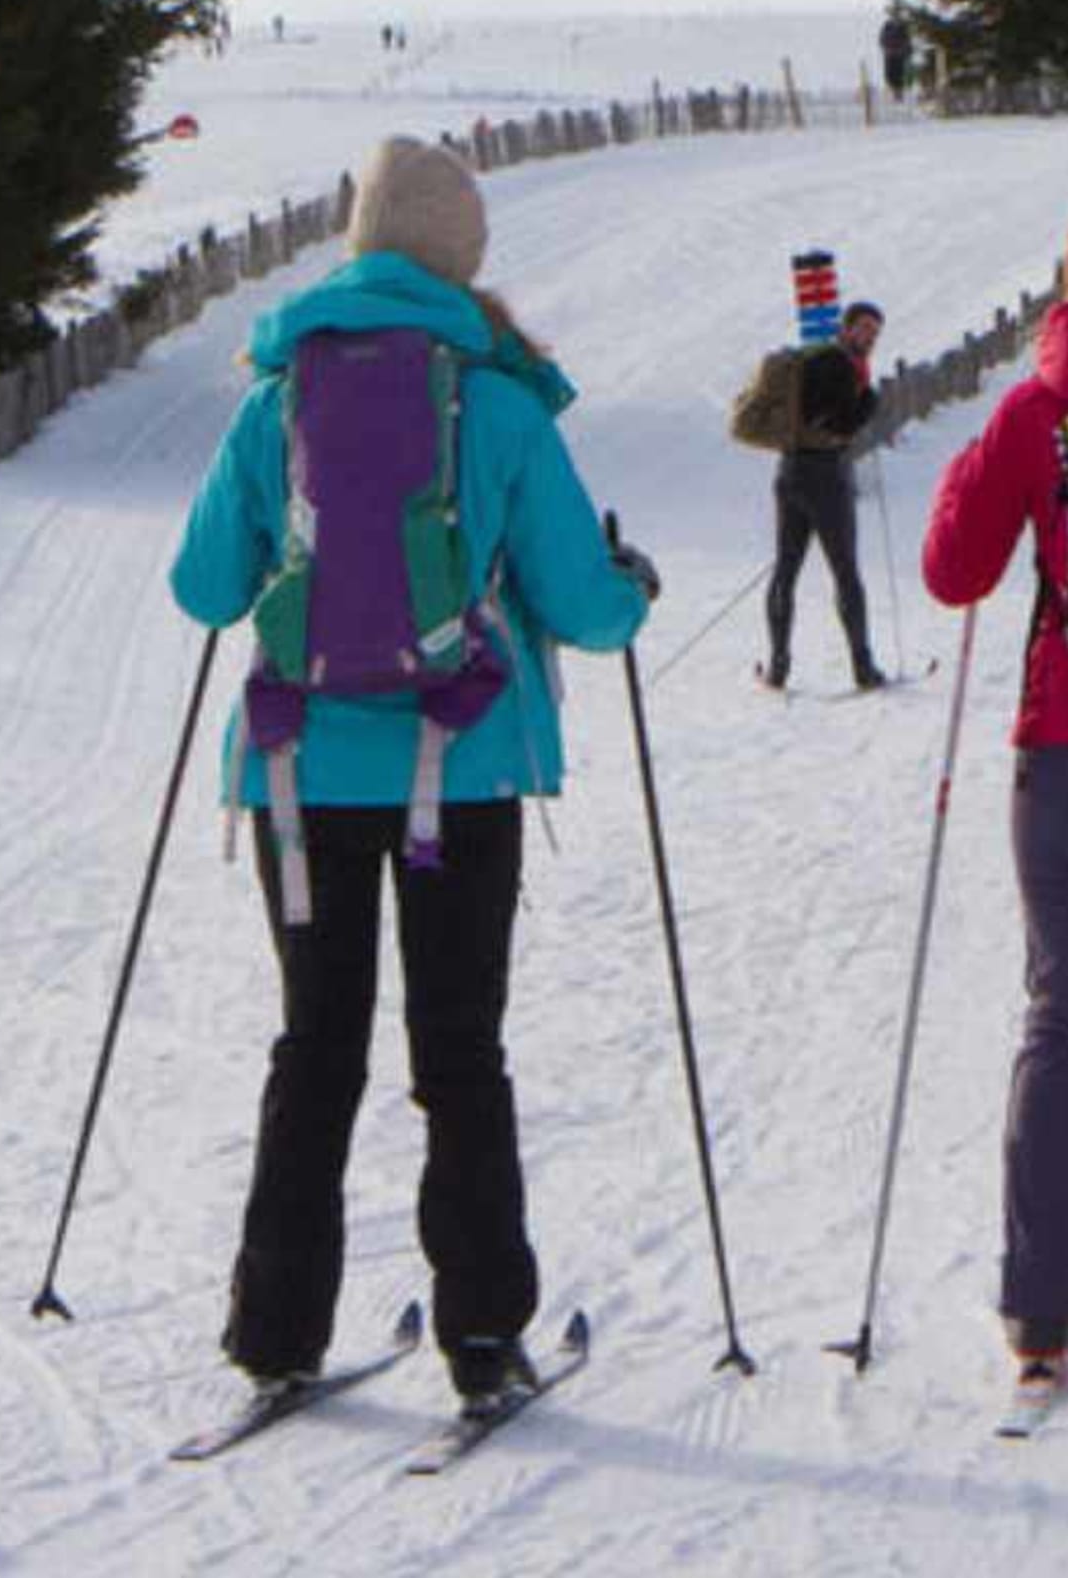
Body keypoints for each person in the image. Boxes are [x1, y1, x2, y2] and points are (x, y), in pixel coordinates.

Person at [169, 135, 654, 1408]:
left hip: (296, 775)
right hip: (464, 768)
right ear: (461, 255)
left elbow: (203, 585)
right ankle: (482, 1336)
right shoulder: (493, 398)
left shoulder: (273, 395)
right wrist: (628, 590)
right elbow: (581, 605)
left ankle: (274, 1331)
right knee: (460, 1051)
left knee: (312, 1045)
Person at [922, 154, 1068, 1371]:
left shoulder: (1033, 408)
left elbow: (951, 571)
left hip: (1067, 750)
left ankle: (1038, 1308)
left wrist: (990, 473)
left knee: (1065, 1021)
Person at [761, 299, 885, 689]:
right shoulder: (839, 365)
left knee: (786, 569)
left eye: (874, 332)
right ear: (846, 328)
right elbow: (839, 422)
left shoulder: (812, 359)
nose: (869, 338)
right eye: (864, 329)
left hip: (790, 472)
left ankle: (778, 666)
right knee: (846, 572)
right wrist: (868, 403)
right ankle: (863, 668)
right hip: (826, 477)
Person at [879, 3, 912, 102]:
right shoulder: (887, 25)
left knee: (899, 75)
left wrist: (904, 51)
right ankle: (892, 93)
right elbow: (882, 38)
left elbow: (907, 40)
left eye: (896, 13)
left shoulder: (904, 25)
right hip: (889, 54)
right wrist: (885, 48)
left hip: (900, 55)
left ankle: (898, 95)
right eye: (893, 13)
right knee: (889, 75)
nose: (894, 15)